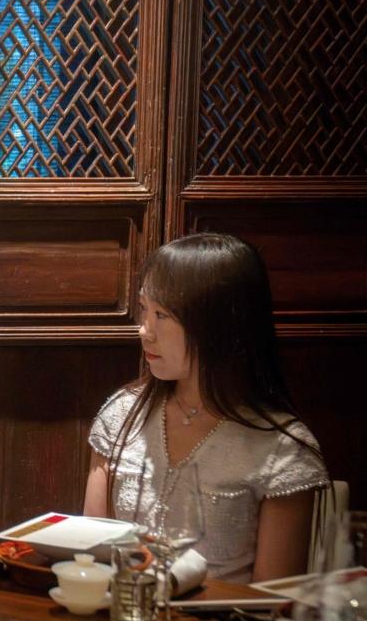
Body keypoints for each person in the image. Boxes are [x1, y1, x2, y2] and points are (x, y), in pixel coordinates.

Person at [83, 233, 327, 582]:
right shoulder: (122, 415)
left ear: (220, 326)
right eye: (144, 309)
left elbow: (272, 604)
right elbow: (91, 558)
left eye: (162, 315)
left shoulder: (282, 450)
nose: (144, 331)